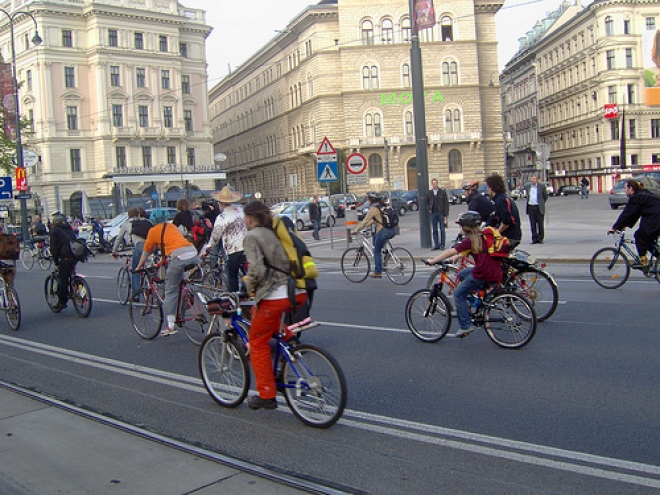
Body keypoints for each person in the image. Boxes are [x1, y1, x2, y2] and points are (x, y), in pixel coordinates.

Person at [242, 201, 306, 410]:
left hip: (276, 294)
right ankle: (291, 340)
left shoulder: (252, 236)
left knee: (257, 342)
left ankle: (266, 394)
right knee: (258, 314)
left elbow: (257, 270)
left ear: (250, 218)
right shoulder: (273, 231)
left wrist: (250, 288)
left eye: (245, 218)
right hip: (296, 291)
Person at [426, 211, 503, 338]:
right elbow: (467, 251)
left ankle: (466, 326)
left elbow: (450, 251)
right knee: (461, 274)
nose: (460, 229)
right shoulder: (482, 235)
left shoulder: (470, 240)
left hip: (482, 273)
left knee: (458, 294)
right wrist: (455, 258)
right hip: (493, 270)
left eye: (460, 226)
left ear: (465, 227)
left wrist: (433, 261)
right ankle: (477, 299)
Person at [136, 208, 198, 336]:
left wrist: (139, 266)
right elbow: (172, 244)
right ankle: (187, 297)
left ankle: (170, 325)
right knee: (180, 280)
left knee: (170, 289)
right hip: (192, 252)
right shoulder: (171, 227)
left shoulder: (153, 231)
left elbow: (146, 251)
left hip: (179, 257)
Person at [200, 186, 246, 292]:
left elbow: (215, 237)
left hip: (234, 250)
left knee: (232, 277)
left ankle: (234, 300)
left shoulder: (222, 217)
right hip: (248, 248)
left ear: (219, 203)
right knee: (246, 274)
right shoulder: (241, 211)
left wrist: (207, 250)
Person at [608, 179, 660, 270]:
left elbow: (627, 213)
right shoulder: (642, 195)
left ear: (631, 188)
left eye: (626, 188)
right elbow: (634, 214)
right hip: (655, 217)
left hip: (655, 218)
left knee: (640, 235)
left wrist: (615, 227)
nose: (625, 191)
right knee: (648, 240)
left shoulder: (636, 197)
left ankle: (643, 262)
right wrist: (624, 225)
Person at [352, 192, 396, 278]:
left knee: (376, 250)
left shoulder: (373, 209)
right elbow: (377, 219)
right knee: (377, 240)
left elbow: (364, 221)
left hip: (384, 231)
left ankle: (377, 272)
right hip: (393, 230)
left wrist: (356, 230)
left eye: (368, 199)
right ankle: (386, 252)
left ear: (372, 200)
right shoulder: (385, 206)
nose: (367, 200)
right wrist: (368, 225)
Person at [112, 207, 151, 300]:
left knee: (135, 270)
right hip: (151, 245)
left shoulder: (127, 224)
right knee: (148, 267)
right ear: (138, 214)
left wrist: (114, 251)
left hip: (139, 246)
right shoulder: (146, 221)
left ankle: (135, 295)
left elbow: (119, 238)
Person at [49, 213, 78, 310]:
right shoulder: (69, 228)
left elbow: (54, 248)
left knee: (63, 279)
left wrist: (56, 262)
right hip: (75, 255)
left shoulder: (55, 231)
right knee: (70, 270)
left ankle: (62, 301)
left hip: (65, 256)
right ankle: (76, 284)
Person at [486, 174, 522, 247]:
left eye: (488, 187)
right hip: (513, 234)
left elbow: (507, 221)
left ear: (491, 188)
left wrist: (497, 233)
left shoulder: (500, 200)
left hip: (509, 237)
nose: (487, 189)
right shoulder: (501, 198)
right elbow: (495, 218)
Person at [426, 178, 450, 250]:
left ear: (437, 184)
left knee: (442, 229)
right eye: (433, 183)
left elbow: (446, 204)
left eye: (435, 183)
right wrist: (429, 209)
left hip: (441, 213)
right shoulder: (429, 193)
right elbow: (427, 203)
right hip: (433, 213)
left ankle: (442, 245)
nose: (434, 185)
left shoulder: (442, 192)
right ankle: (436, 244)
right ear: (432, 184)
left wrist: (446, 214)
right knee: (434, 230)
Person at [525, 174, 549, 244]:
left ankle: (540, 238)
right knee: (532, 224)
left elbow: (546, 196)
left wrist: (541, 203)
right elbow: (527, 196)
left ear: (537, 180)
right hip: (531, 207)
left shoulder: (541, 187)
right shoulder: (528, 187)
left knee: (540, 224)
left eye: (533, 179)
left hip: (538, 207)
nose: (532, 181)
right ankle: (534, 238)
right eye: (531, 179)